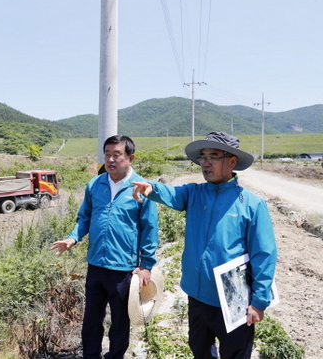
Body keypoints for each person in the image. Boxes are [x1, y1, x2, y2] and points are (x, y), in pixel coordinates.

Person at [132, 131, 277, 359]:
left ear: (231, 162)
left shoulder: (251, 204)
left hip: (233, 299)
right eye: (203, 157)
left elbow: (264, 254)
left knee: (235, 353)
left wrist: (259, 302)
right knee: (200, 350)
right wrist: (152, 188)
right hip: (198, 296)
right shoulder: (194, 193)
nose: (205, 163)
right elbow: (172, 193)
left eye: (213, 156)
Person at [51, 135, 159, 359]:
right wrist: (73, 238)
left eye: (116, 155)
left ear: (130, 157)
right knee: (91, 319)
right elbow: (85, 218)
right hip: (96, 265)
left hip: (124, 268)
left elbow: (149, 228)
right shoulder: (95, 184)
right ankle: (91, 355)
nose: (110, 159)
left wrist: (146, 264)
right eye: (107, 154)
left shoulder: (141, 188)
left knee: (120, 321)